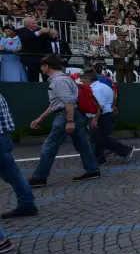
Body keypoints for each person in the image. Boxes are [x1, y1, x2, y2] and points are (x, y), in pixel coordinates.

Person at [27, 54, 101, 188]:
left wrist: (69, 121)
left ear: (47, 66)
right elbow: (59, 102)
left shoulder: (59, 81)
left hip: (66, 115)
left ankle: (39, 178)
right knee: (82, 144)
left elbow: (68, 102)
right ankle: (92, 170)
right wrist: (41, 118)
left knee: (49, 146)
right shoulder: (63, 79)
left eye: (42, 66)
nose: (41, 68)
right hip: (73, 114)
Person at [0, 93, 37, 234]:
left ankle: (26, 204)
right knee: (12, 173)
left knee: (13, 174)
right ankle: (26, 203)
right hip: (4, 137)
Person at [81, 68, 134, 165]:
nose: (81, 81)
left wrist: (94, 119)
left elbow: (99, 106)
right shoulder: (103, 86)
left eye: (83, 79)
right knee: (97, 139)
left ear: (88, 79)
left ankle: (125, 151)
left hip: (101, 116)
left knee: (102, 139)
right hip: (105, 115)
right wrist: (113, 106)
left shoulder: (95, 89)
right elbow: (114, 94)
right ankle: (99, 159)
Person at [17, 17, 53, 82]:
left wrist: (50, 33)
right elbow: (26, 39)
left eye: (36, 23)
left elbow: (51, 40)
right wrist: (39, 32)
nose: (35, 25)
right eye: (33, 23)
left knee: (47, 78)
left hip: (43, 58)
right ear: (26, 24)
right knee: (33, 78)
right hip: (31, 59)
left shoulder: (40, 29)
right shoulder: (21, 30)